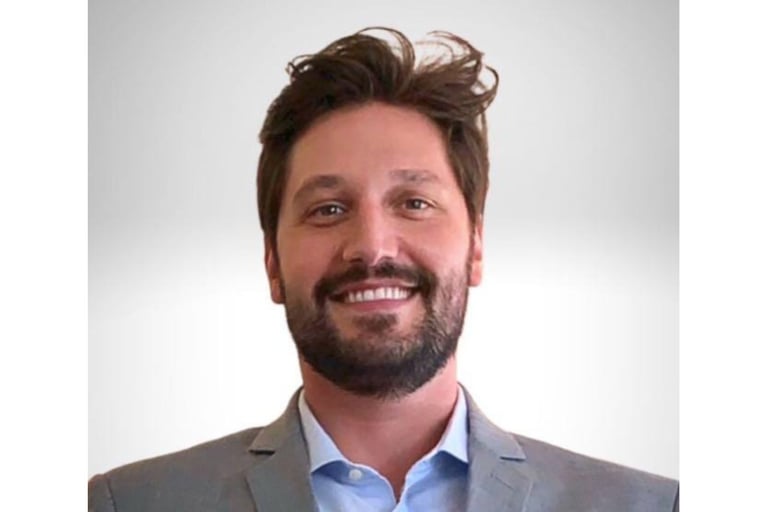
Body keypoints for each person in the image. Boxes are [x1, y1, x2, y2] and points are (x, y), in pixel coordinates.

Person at [88, 27, 679, 511]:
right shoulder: (128, 504)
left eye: (414, 203)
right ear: (272, 262)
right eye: (328, 209)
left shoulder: (649, 506)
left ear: (475, 245)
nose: (371, 247)